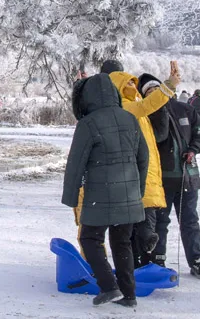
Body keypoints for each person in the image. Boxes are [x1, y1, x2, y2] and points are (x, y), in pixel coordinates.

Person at [62, 73, 148, 308]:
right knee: (122, 243)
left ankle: (109, 287)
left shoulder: (88, 124)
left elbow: (76, 163)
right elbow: (144, 157)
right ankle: (129, 295)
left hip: (100, 195)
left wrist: (70, 196)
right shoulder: (129, 118)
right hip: (129, 193)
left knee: (90, 238)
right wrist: (137, 191)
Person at [107, 64, 177, 270]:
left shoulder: (135, 103)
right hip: (136, 172)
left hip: (149, 170)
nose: (132, 84)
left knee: (146, 217)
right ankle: (135, 264)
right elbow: (148, 106)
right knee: (135, 223)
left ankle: (145, 259)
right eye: (128, 81)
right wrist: (168, 86)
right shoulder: (125, 107)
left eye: (133, 82)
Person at [148, 79, 200, 280]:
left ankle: (197, 260)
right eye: (149, 91)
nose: (154, 93)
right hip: (162, 180)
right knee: (160, 221)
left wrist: (194, 149)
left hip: (187, 176)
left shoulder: (185, 109)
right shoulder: (147, 115)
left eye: (156, 89)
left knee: (190, 220)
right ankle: (158, 258)